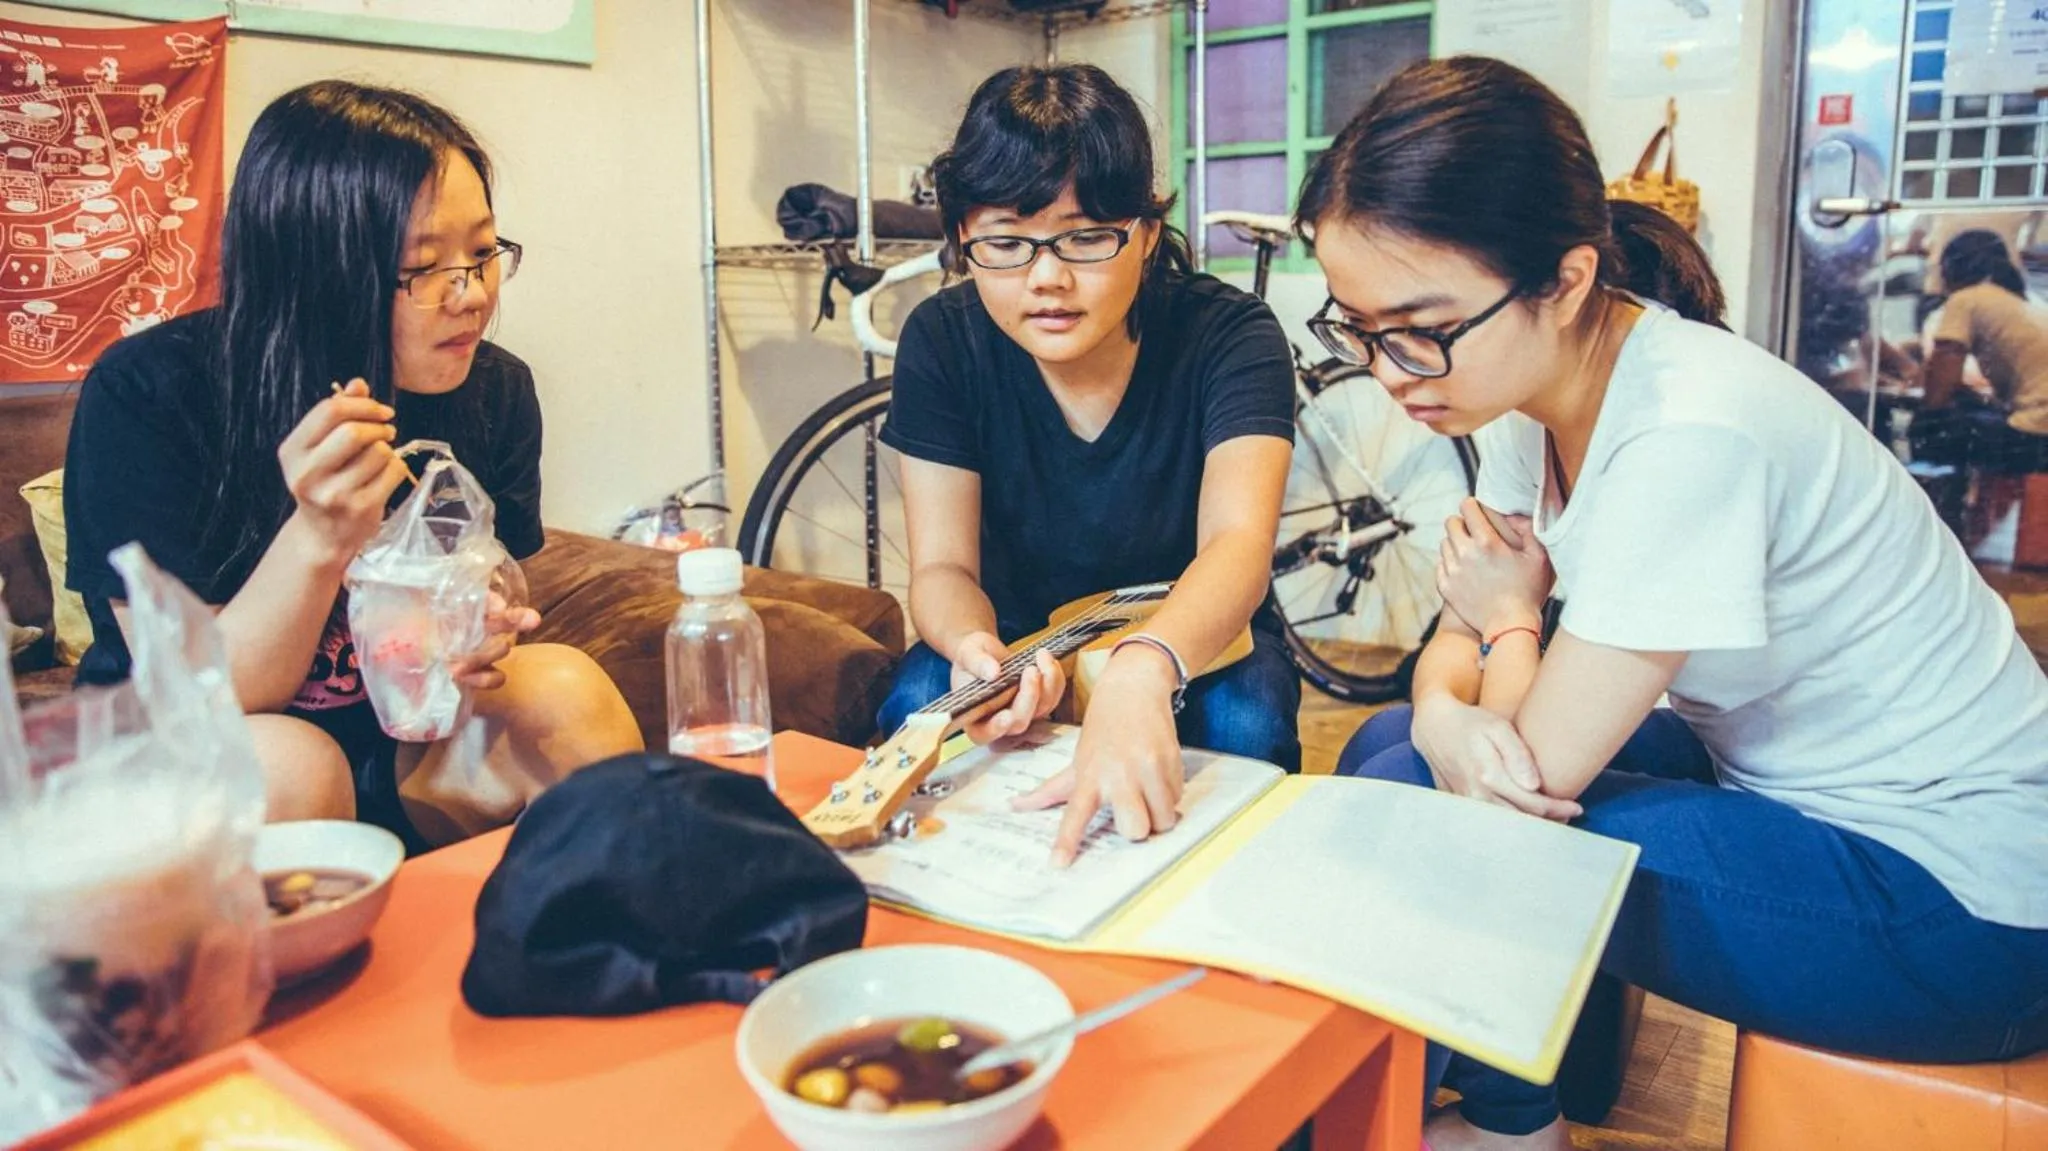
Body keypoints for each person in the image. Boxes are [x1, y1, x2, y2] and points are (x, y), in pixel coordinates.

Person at [1303, 57, 2048, 1150]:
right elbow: (1454, 639)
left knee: (1450, 806)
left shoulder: (1687, 430)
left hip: (1961, 907)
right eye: (1356, 327)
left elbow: (1522, 763)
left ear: (1561, 278)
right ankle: (1515, 1094)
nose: (1389, 370)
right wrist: (1433, 707)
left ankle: (1471, 1121)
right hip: (1798, 791)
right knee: (1388, 746)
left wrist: (1502, 639)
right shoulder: (1524, 389)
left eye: (1417, 326)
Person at [63, 81, 643, 852]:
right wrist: (319, 536)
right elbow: (201, 696)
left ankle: (605, 941)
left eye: (482, 252)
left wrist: (483, 618)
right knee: (294, 764)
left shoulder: (495, 388)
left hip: (406, 740)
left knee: (563, 687)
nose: (470, 295)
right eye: (424, 267)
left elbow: (488, 584)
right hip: (193, 753)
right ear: (312, 271)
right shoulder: (153, 392)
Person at [877, 63, 1299, 866]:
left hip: (1192, 633)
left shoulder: (1230, 335)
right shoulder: (943, 339)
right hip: (1016, 636)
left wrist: (1143, 670)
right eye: (1006, 242)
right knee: (917, 699)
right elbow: (938, 565)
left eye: (1084, 237)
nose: (1047, 278)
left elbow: (1238, 549)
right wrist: (976, 649)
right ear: (963, 240)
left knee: (1245, 722)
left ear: (1143, 232)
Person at [1912, 228, 2048, 476]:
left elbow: (1943, 376)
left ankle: (1945, 506)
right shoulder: (2017, 301)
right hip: (2039, 427)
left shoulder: (1966, 299)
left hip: (2036, 430)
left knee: (1931, 432)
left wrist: (1926, 416)